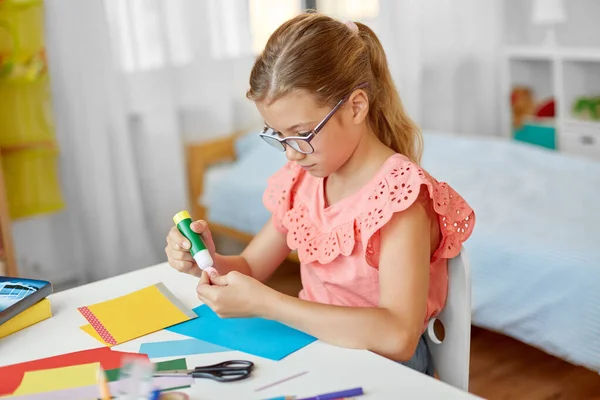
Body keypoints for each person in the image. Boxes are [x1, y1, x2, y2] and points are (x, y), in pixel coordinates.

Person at [165, 13, 475, 376]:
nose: (291, 154)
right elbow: (250, 267)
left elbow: (398, 336)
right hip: (316, 348)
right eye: (279, 136)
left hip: (385, 367)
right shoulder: (303, 180)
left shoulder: (400, 198)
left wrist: (271, 304)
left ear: (357, 107)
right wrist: (208, 259)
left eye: (302, 134)